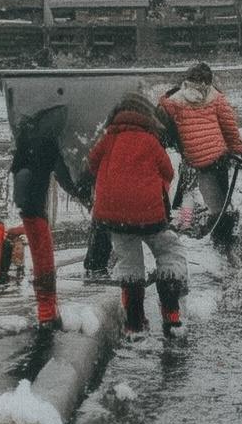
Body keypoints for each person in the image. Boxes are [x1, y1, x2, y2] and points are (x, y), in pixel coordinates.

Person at [88, 91, 188, 338]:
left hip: (114, 215)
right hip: (149, 215)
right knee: (169, 253)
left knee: (129, 262)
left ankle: (134, 323)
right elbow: (167, 171)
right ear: (146, 116)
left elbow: (91, 164)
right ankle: (172, 315)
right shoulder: (150, 140)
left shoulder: (108, 138)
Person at [10, 107, 110, 331]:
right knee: (44, 260)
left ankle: (46, 308)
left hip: (27, 205)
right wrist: (82, 195)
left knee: (40, 258)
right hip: (36, 209)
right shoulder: (48, 144)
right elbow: (62, 175)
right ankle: (47, 312)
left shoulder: (25, 140)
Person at [158, 62, 242, 243]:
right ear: (209, 80)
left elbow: (163, 121)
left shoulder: (175, 100)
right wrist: (237, 151)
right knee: (219, 200)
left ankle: (186, 224)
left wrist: (164, 99)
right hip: (216, 158)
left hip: (191, 158)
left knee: (188, 192)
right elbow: (229, 128)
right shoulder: (216, 97)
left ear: (187, 79)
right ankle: (222, 233)